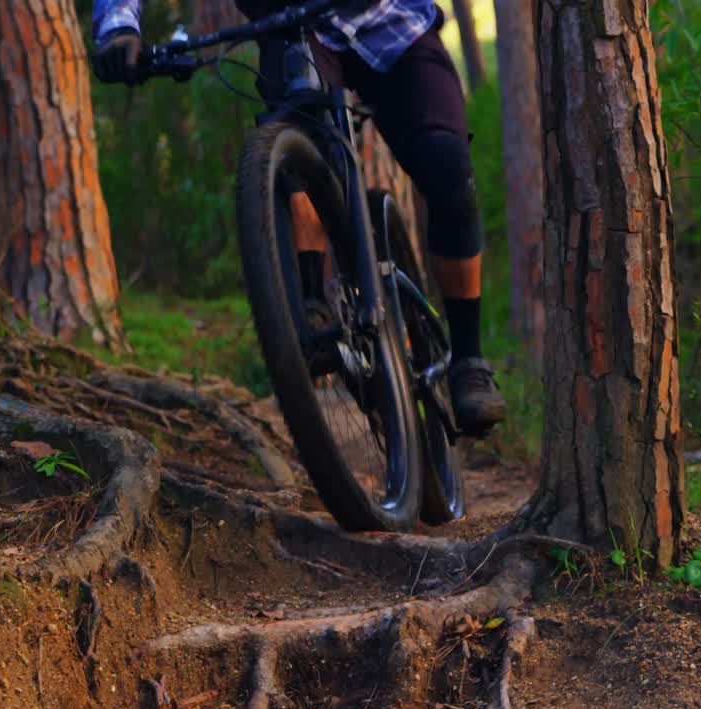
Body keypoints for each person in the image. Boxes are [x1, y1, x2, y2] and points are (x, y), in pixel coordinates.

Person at [90, 0, 507, 433]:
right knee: (295, 148)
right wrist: (119, 29)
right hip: (293, 27)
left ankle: (468, 360)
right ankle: (312, 307)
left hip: (390, 22)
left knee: (447, 170)